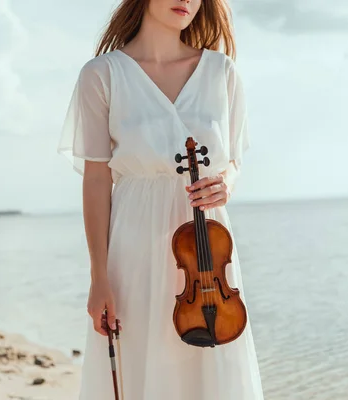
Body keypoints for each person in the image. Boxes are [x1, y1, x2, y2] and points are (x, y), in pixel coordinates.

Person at [57, 0, 264, 398]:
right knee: (140, 367)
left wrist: (226, 184)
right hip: (134, 247)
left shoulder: (222, 72)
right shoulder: (102, 75)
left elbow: (234, 160)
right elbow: (97, 180)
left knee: (212, 375)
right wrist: (99, 275)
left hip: (207, 259)